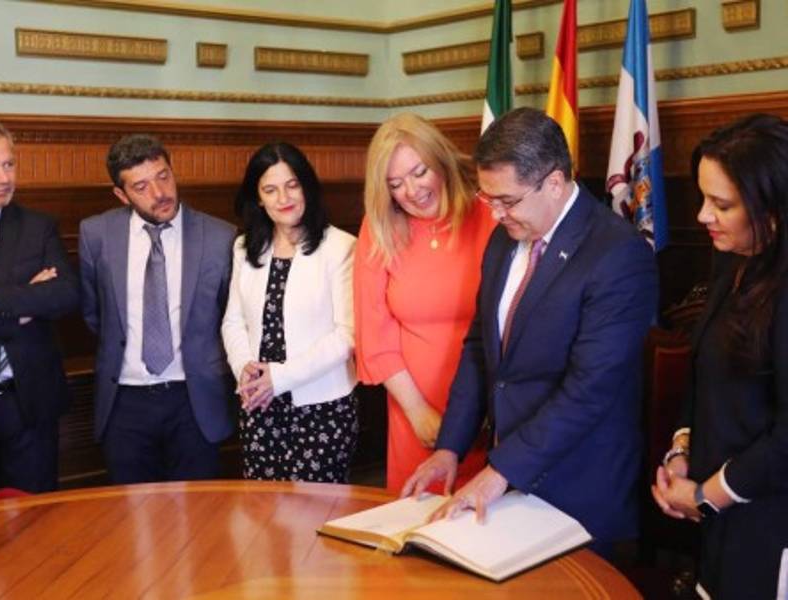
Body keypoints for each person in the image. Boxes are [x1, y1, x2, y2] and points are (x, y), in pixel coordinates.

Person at [402, 108, 658, 557]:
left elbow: (589, 391)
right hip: (512, 482)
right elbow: (480, 346)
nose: (496, 213)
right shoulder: (505, 237)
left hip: (579, 488)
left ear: (554, 182)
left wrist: (500, 470)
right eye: (488, 199)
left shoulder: (617, 254)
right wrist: (450, 448)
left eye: (507, 200)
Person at [652, 114, 788, 600]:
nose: (702, 216)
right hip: (718, 520)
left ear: (773, 209)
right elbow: (702, 373)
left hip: (770, 526)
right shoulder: (731, 259)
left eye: (722, 204)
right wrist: (681, 452)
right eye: (703, 197)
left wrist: (706, 497)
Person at [79, 134, 235, 484]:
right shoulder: (97, 234)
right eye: (141, 186)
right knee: (132, 508)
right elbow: (94, 313)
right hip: (125, 400)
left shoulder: (220, 236)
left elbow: (230, 317)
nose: (159, 193)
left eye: (163, 176)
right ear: (121, 195)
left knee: (199, 507)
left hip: (194, 398)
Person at [354, 113, 496, 493]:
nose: (412, 191)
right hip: (414, 411)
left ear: (441, 160)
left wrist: (488, 410)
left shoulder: (490, 214)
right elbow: (374, 333)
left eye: (420, 173)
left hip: (489, 407)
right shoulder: (378, 228)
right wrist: (417, 412)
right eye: (395, 184)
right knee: (416, 515)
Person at [221, 142, 358, 483]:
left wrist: (279, 378)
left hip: (322, 406)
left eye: (292, 185)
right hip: (260, 403)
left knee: (316, 508)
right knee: (261, 508)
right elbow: (234, 321)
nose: (283, 198)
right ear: (258, 198)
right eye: (270, 190)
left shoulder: (340, 247)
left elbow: (346, 335)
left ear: (307, 186)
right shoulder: (245, 247)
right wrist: (245, 370)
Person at [0, 117, 79, 493]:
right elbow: (42, 300)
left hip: (30, 403)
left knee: (37, 518)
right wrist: (26, 303)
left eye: (9, 164)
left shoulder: (38, 226)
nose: (4, 178)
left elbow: (66, 294)